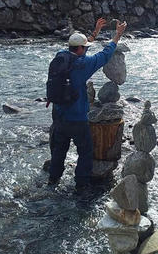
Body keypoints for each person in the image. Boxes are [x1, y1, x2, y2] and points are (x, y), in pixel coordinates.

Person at [48, 18, 127, 193]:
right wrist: (117, 36)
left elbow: (81, 47)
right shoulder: (83, 64)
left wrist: (95, 33)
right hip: (77, 119)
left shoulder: (61, 56)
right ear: (81, 50)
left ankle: (53, 181)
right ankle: (81, 185)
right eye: (85, 48)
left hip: (59, 116)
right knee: (85, 151)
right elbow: (105, 55)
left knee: (59, 151)